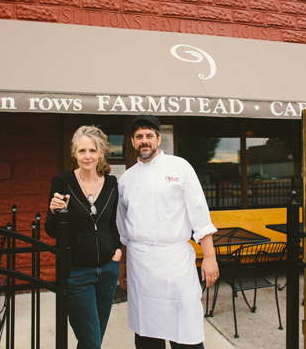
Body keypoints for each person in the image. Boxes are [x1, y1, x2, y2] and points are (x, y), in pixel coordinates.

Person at [117, 114, 219, 349]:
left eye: (149, 136)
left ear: (158, 139)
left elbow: (200, 216)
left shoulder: (180, 167)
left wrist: (210, 258)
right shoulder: (126, 179)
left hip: (175, 265)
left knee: (185, 333)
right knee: (146, 336)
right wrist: (122, 266)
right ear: (132, 142)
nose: (145, 141)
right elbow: (123, 228)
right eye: (139, 136)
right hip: (139, 266)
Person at [45, 125, 122, 349]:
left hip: (108, 270)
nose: (87, 156)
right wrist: (53, 212)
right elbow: (52, 231)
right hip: (77, 272)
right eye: (81, 151)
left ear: (101, 152)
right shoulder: (62, 183)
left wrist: (117, 250)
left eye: (91, 150)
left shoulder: (111, 184)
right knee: (91, 341)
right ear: (74, 154)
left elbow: (113, 224)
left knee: (94, 339)